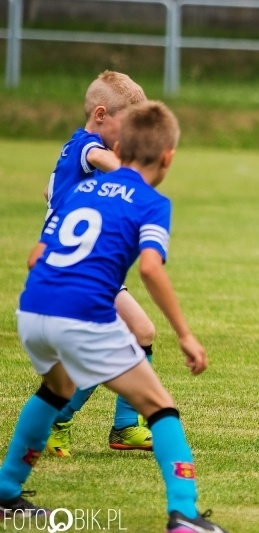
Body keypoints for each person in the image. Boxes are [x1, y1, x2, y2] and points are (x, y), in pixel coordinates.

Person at [0, 100, 229, 531]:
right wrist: (185, 335)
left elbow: (36, 257)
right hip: (82, 316)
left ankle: (6, 491)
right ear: (168, 157)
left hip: (32, 309)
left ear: (118, 145)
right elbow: (149, 268)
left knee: (56, 388)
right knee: (160, 407)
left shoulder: (81, 190)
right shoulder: (152, 202)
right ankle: (185, 513)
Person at [33, 70, 156, 457]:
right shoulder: (88, 148)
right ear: (101, 114)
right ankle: (59, 420)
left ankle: (123, 427)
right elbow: (110, 164)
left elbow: (50, 189)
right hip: (75, 270)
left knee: (140, 333)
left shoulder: (72, 147)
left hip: (83, 267)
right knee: (121, 339)